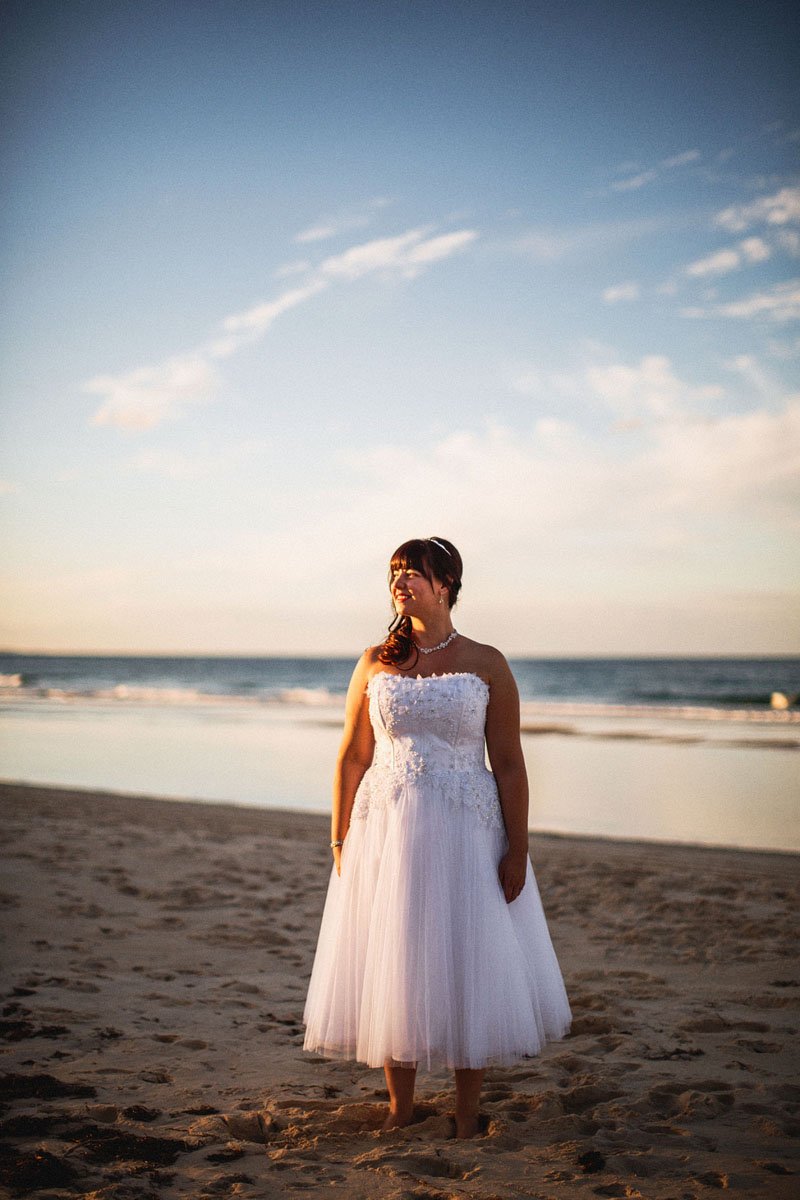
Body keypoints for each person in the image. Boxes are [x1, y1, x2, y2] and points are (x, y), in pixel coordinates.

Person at [302, 537, 571, 1138]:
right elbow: (352, 757)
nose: (400, 581)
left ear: (445, 581)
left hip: (467, 829)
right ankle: (401, 1108)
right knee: (395, 955)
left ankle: (468, 1113)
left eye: (413, 572)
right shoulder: (375, 660)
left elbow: (509, 762)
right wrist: (339, 839)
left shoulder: (487, 662)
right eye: (394, 572)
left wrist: (519, 847)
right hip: (386, 829)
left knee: (466, 955)